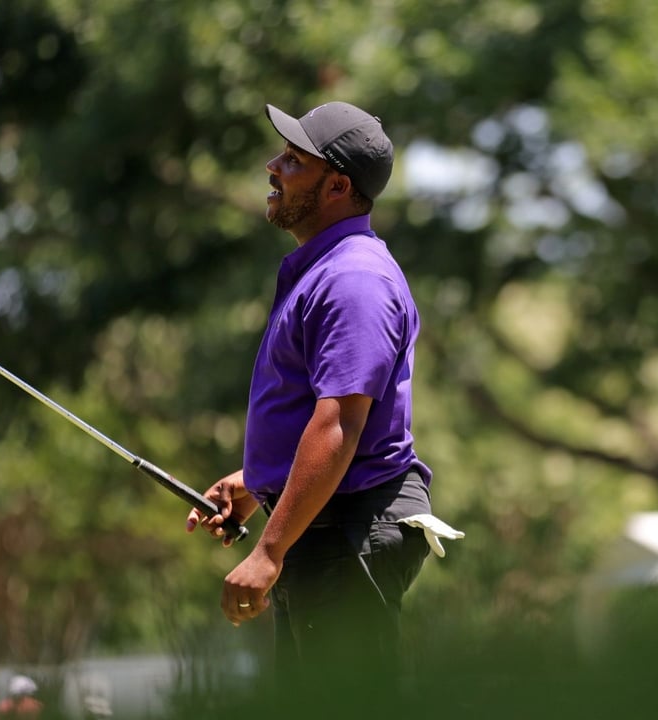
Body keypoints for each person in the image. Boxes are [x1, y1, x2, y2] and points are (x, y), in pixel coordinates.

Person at [186, 101, 460, 701]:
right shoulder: (326, 269)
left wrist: (269, 549)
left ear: (337, 185)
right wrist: (257, 483)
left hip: (349, 529)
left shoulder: (354, 278)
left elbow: (339, 426)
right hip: (329, 523)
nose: (272, 166)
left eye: (292, 159)